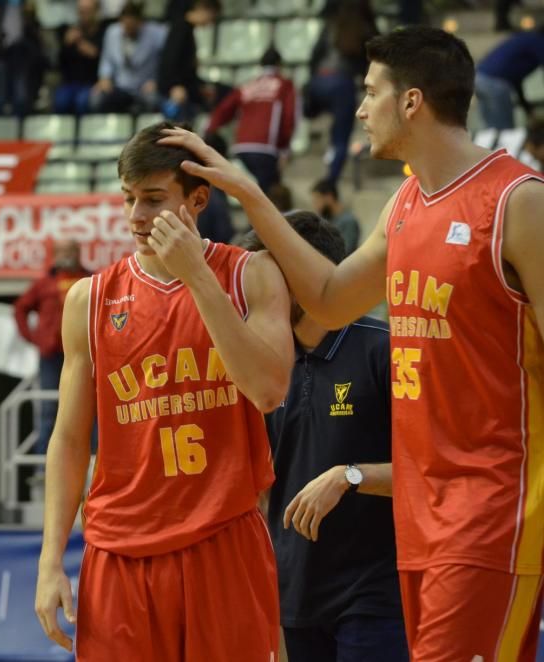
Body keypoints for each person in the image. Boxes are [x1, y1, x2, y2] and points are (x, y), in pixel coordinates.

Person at [160, 24, 544, 661]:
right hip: (419, 520)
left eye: (371, 92)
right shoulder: (405, 203)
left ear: (412, 101)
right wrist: (251, 194)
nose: (359, 108)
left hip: (492, 513)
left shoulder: (518, 202)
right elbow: (332, 296)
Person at [35, 121, 293, 659]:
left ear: (197, 199)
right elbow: (67, 439)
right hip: (119, 549)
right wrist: (50, 560)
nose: (136, 216)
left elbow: (268, 390)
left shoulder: (252, 276)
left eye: (153, 199)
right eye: (129, 199)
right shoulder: (90, 298)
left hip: (222, 537)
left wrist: (197, 276)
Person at [240, 213, 408, 662]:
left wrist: (350, 476)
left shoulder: (384, 350)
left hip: (376, 595)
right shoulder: (259, 364)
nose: (254, 287)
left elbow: (432, 474)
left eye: (267, 273)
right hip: (292, 598)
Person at [13, 240, 91, 457]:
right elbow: (20, 308)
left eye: (71, 250)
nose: (67, 254)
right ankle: (42, 465)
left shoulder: (91, 279)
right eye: (63, 251)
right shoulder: (43, 282)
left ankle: (95, 464)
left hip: (83, 354)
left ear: (79, 252)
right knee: (48, 409)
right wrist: (33, 338)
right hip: (51, 354)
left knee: (89, 408)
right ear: (55, 254)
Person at [305, 0, 378, 183]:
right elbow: (374, 61)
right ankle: (331, 181)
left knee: (332, 128)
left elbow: (314, 56)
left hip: (318, 82)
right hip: (341, 85)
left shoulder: (330, 26)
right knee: (340, 139)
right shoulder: (365, 29)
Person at [205, 46, 297, 192]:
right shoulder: (285, 85)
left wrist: (209, 132)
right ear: (279, 65)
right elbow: (289, 117)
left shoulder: (247, 85)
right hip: (266, 147)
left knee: (257, 193)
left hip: (241, 147)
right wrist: (285, 149)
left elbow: (223, 110)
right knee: (272, 197)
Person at [90, 2, 167, 113]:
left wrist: (157, 81)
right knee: (96, 98)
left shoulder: (157, 33)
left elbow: (166, 61)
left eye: (132, 26)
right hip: (120, 86)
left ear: (140, 22)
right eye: (125, 25)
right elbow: (106, 59)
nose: (128, 29)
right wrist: (104, 78)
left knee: (153, 100)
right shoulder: (112, 32)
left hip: (145, 86)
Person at [474, 29, 544, 131]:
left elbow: (516, 82)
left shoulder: (525, 38)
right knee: (505, 131)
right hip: (495, 82)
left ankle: (493, 145)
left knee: (492, 130)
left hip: (478, 78)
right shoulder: (538, 41)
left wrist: (528, 111)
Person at [54, 0, 108, 116]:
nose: (83, 15)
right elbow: (58, 63)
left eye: (87, 11)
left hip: (92, 82)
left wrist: (83, 45)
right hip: (70, 83)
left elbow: (102, 59)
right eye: (80, 11)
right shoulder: (70, 32)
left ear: (96, 12)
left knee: (82, 101)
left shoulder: (103, 32)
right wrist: (65, 45)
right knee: (60, 101)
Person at [310, 178, 360, 251]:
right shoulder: (325, 219)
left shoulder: (349, 221)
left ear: (329, 197)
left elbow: (346, 250)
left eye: (317, 199)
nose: (315, 205)